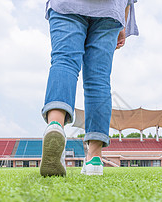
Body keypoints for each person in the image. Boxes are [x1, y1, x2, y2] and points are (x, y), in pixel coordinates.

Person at [40, 0, 139, 177]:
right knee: (99, 80)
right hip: (110, 10)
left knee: (64, 61)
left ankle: (55, 125)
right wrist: (123, 24)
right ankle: (94, 158)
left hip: (67, 5)